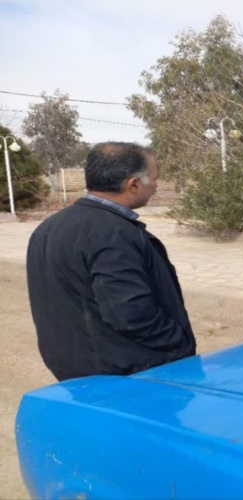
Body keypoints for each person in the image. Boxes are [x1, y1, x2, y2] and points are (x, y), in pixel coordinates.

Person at [26, 142, 196, 381]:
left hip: (76, 368)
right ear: (133, 184)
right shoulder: (113, 233)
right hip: (127, 374)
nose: (156, 185)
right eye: (154, 178)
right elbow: (131, 313)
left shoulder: (50, 226)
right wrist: (178, 342)